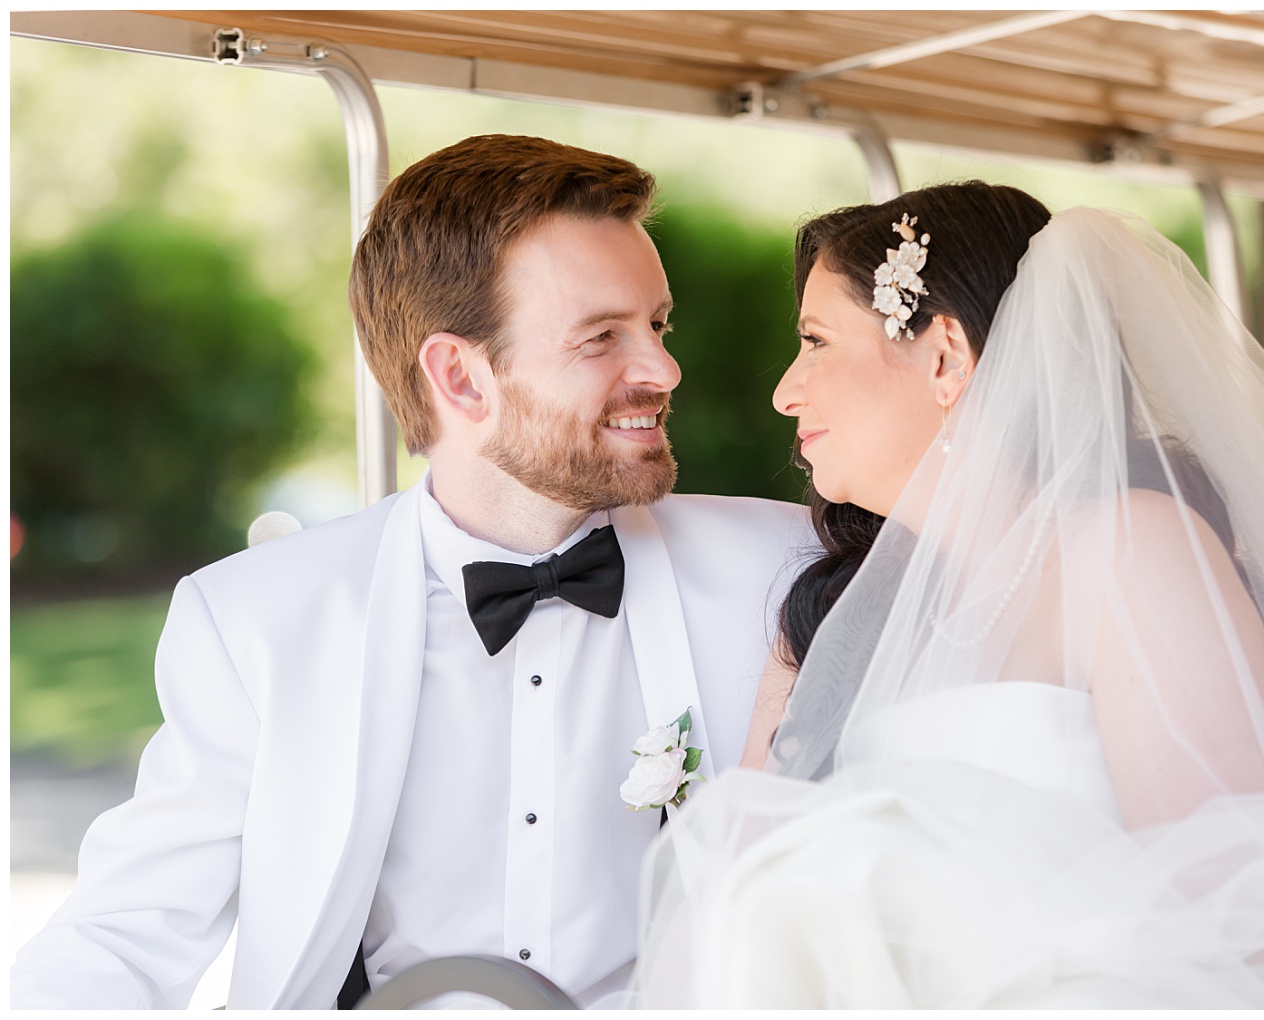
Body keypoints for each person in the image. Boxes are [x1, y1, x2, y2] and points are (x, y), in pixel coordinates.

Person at [631, 184, 1264, 1007]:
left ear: (945, 356)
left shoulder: (1126, 548)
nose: (786, 388)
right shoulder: (825, 612)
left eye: (817, 341)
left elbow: (1238, 902)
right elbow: (740, 881)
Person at [11, 135, 814, 1009]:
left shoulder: (780, 570)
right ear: (460, 380)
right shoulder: (254, 623)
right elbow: (124, 933)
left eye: (656, 325)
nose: (663, 369)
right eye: (601, 338)